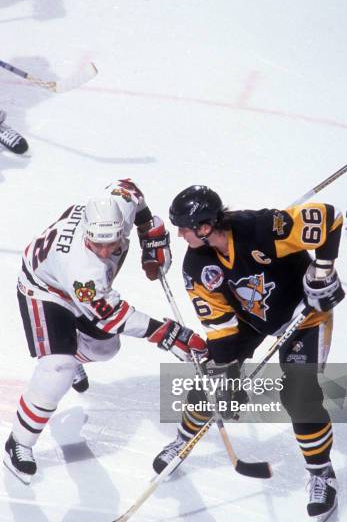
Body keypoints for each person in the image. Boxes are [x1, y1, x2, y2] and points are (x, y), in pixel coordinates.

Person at [154, 185, 345, 522]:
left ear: (205, 225)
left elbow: (329, 217)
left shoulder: (261, 229)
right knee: (211, 377)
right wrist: (227, 371)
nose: (180, 234)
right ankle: (183, 441)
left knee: (300, 394)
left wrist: (323, 270)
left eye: (185, 227)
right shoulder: (197, 264)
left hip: (305, 316)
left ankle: (321, 473)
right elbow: (220, 323)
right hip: (251, 319)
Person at [3, 178, 207, 485]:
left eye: (110, 243)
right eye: (96, 243)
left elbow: (131, 189)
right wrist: (167, 333)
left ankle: (73, 356)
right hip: (45, 290)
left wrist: (148, 230)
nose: (103, 250)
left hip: (78, 287)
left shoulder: (118, 202)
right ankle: (18, 443)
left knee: (105, 350)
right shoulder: (82, 270)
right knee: (57, 368)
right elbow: (112, 317)